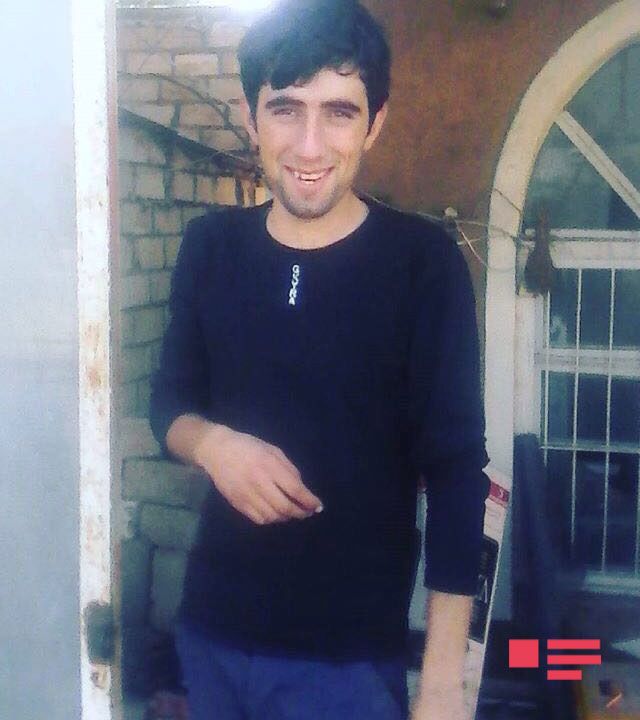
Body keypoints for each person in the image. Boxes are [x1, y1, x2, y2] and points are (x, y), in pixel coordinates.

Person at [149, 1, 490, 718]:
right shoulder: (211, 247)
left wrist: (441, 681)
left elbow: (457, 473)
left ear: (376, 122)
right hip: (211, 634)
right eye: (286, 109)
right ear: (251, 117)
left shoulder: (422, 265)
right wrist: (213, 445)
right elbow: (168, 404)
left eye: (338, 112)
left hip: (348, 663)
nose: (309, 146)